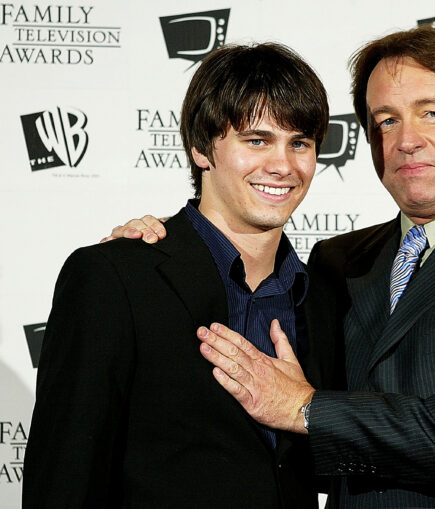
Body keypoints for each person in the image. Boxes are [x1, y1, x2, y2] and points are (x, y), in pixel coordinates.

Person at [111, 26, 435, 508]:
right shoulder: (336, 262)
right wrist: (173, 246)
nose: (407, 139)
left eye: (432, 113)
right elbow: (290, 443)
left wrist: (306, 409)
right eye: (386, 121)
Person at [22, 42, 333, 509]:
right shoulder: (114, 278)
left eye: (300, 143)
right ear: (201, 149)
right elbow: (65, 479)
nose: (283, 165)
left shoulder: (323, 297)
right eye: (257, 140)